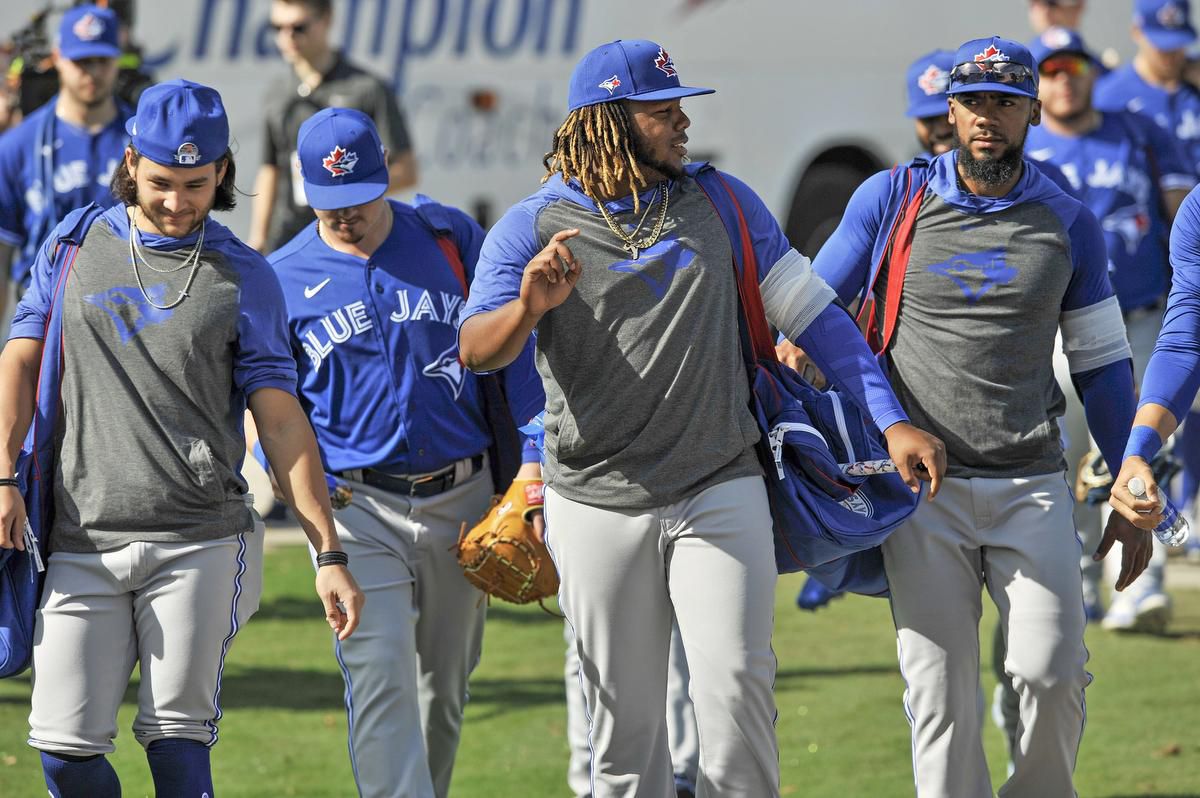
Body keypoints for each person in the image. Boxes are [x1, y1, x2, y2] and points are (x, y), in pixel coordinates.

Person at [458, 38, 944, 797]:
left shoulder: (723, 202)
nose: (682, 121)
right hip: (592, 501)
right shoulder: (534, 225)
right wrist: (528, 306)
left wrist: (889, 421)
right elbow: (476, 351)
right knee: (622, 734)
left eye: (681, 106)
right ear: (609, 122)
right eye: (661, 111)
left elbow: (817, 318)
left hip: (720, 484)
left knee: (739, 694)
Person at [0, 79, 363, 798]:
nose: (176, 201)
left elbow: (281, 417)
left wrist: (327, 549)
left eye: (196, 184)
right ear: (130, 162)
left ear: (223, 172)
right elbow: (19, 356)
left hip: (200, 538)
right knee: (63, 754)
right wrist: (2, 475)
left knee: (176, 743)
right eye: (161, 181)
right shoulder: (71, 244)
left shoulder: (244, 274)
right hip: (80, 538)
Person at [810, 36, 1150, 797]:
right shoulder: (890, 200)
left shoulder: (1068, 221)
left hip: (1031, 485)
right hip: (921, 492)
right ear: (950, 111)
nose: (985, 118)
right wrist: (878, 415)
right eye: (971, 102)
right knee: (939, 699)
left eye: (1003, 102)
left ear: (1031, 111)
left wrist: (1132, 475)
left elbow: (1100, 365)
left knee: (1053, 673)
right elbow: (810, 310)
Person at [268, 106, 542, 798]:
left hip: (465, 497)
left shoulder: (450, 239)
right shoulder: (281, 276)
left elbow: (514, 354)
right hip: (357, 508)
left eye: (360, 197)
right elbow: (270, 406)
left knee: (442, 691)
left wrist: (533, 464)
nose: (347, 216)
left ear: (387, 172)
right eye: (330, 204)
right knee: (380, 679)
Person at [1029, 26, 1194, 630]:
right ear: (1038, 82)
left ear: (1092, 72)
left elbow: (1182, 208)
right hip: (1056, 328)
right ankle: (1076, 583)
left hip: (1142, 316)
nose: (1064, 79)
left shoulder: (1136, 131)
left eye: (1073, 67)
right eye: (1051, 70)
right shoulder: (1027, 147)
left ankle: (1140, 584)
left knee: (1143, 447)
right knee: (1061, 457)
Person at [250, 0, 418, 254]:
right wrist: (258, 238)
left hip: (350, 236)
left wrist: (348, 192)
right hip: (289, 237)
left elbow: (406, 170)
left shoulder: (367, 89)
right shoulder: (277, 93)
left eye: (298, 27)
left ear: (326, 19)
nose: (287, 37)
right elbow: (270, 169)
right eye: (277, 28)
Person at [0, 5, 130, 318]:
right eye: (82, 61)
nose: (94, 72)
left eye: (103, 60)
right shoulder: (17, 147)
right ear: (58, 58)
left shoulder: (141, 142)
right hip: (42, 321)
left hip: (125, 318)